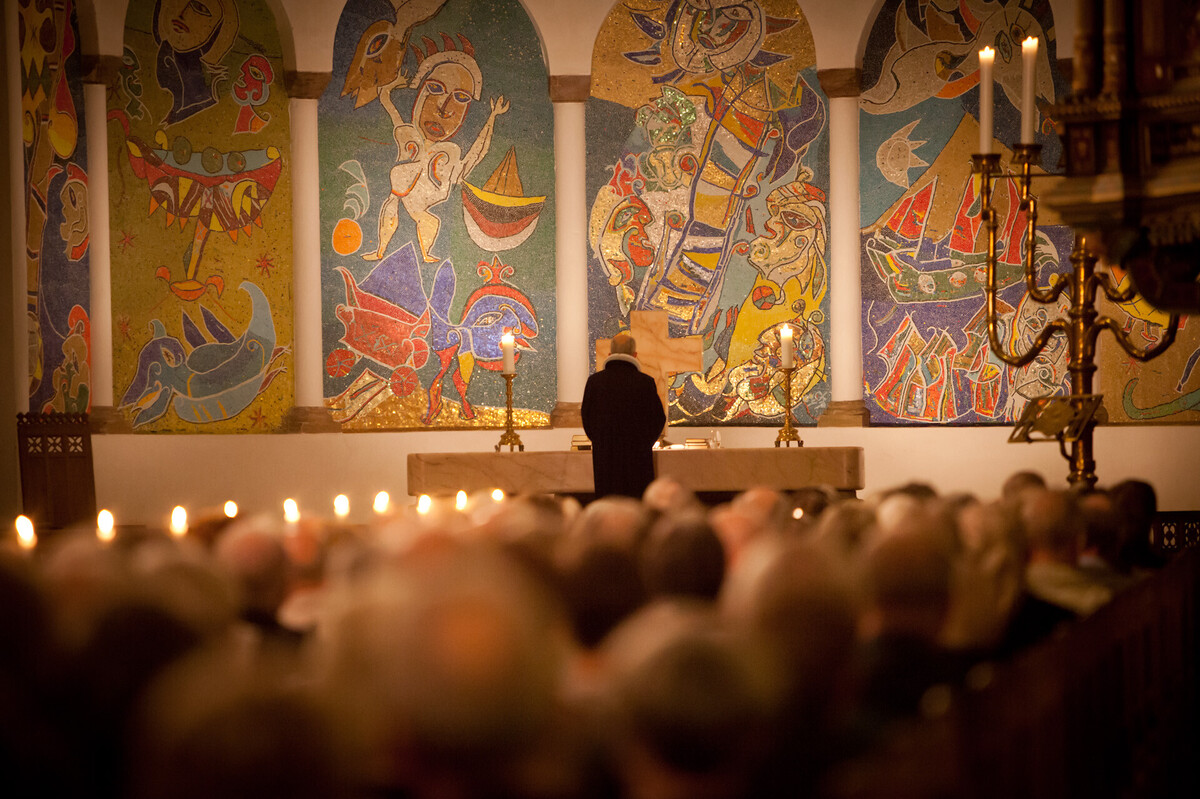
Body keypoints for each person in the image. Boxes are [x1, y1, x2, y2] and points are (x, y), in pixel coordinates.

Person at [581, 332, 666, 499]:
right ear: (635, 355)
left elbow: (587, 418)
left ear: (610, 355)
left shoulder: (595, 382)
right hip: (638, 458)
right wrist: (643, 443)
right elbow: (658, 419)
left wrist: (601, 440)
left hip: (605, 457)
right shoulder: (645, 382)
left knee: (608, 504)